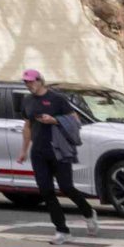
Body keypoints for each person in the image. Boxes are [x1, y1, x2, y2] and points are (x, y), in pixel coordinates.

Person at [23, 68, 89, 238]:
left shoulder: (56, 99)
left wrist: (55, 120)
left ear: (40, 80)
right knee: (46, 191)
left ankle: (88, 213)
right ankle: (61, 229)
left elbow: (75, 121)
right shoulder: (27, 100)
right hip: (38, 151)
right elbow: (27, 126)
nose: (29, 85)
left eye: (31, 81)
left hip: (58, 150)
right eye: (26, 82)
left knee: (66, 187)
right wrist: (23, 150)